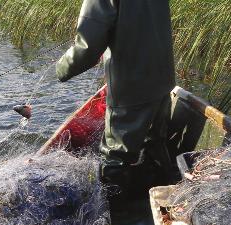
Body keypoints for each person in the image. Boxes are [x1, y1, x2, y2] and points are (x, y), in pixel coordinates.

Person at [56, 0, 176, 197]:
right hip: (162, 81)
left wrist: (61, 69)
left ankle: (117, 216)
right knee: (155, 141)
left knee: (115, 158)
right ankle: (164, 192)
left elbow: (87, 46)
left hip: (130, 86)